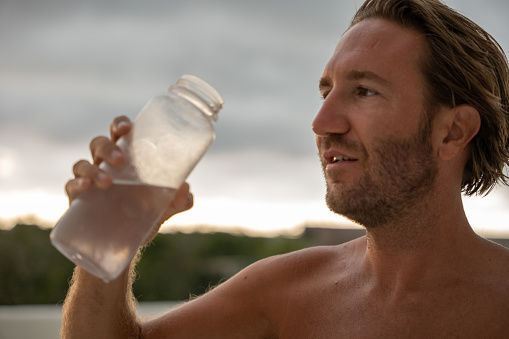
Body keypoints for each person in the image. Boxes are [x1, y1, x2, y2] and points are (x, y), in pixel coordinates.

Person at [61, 0, 509, 337]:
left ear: (452, 132)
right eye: (326, 92)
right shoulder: (286, 291)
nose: (321, 124)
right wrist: (112, 238)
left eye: (365, 92)